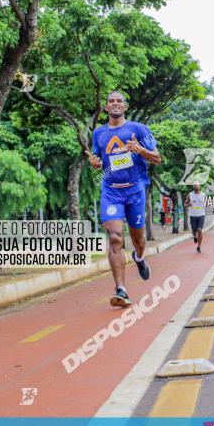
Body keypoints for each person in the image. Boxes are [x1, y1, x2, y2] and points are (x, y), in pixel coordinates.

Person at [86, 91, 161, 308]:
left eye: (119, 101)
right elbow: (98, 159)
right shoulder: (99, 133)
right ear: (106, 108)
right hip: (111, 192)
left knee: (139, 241)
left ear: (125, 106)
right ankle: (121, 289)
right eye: (111, 101)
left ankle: (139, 258)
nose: (115, 104)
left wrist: (140, 150)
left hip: (135, 191)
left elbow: (157, 158)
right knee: (115, 238)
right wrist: (95, 162)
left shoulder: (138, 129)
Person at [188, 181, 207, 253]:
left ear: (200, 187)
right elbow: (185, 204)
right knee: (194, 231)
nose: (196, 187)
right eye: (195, 186)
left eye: (197, 186)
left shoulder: (203, 195)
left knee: (200, 230)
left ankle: (198, 247)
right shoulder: (190, 195)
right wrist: (188, 204)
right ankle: (195, 236)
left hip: (201, 214)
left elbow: (207, 203)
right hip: (193, 215)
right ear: (194, 187)